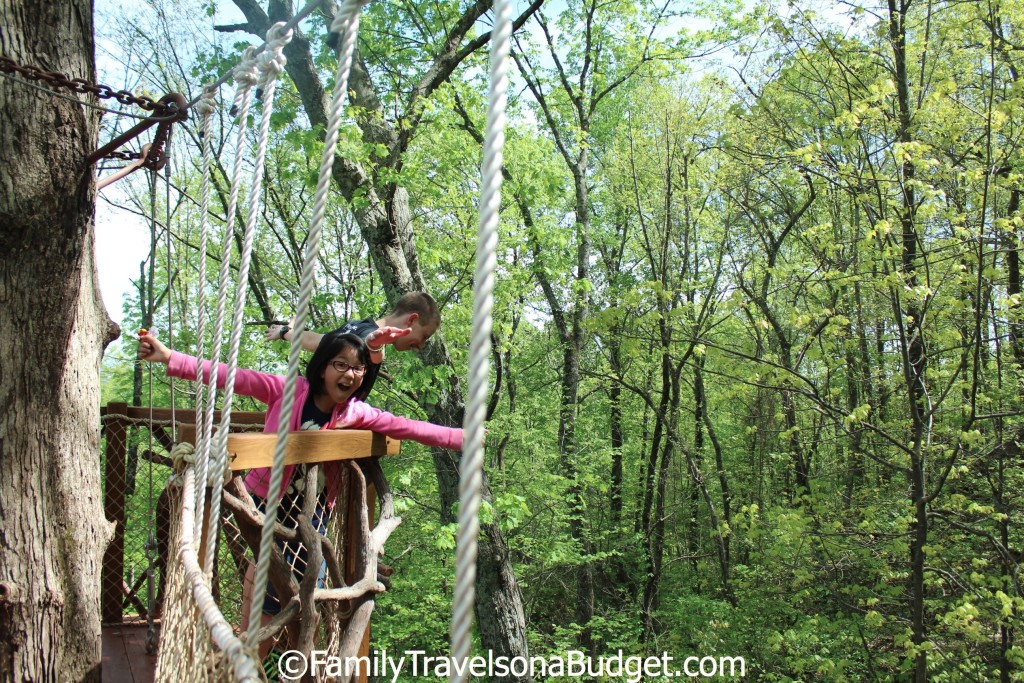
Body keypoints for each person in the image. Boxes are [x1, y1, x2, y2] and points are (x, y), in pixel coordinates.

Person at [137, 329, 461, 648]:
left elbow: (408, 426)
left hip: (314, 512)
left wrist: (464, 437)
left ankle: (262, 652)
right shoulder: (288, 390)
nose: (351, 374)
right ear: (322, 368)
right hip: (266, 501)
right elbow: (231, 376)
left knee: (305, 588)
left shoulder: (353, 413)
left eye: (359, 368)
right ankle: (250, 653)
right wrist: (169, 357)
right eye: (341, 365)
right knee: (264, 582)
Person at [266, 291, 440, 397]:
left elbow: (315, 341)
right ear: (412, 319)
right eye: (424, 336)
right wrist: (375, 345)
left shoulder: (355, 325)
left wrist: (285, 332)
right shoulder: (369, 336)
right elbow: (370, 346)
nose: (421, 345)